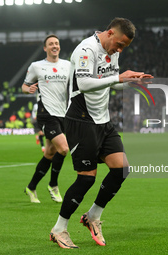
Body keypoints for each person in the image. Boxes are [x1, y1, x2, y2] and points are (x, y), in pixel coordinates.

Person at [49, 18, 153, 248]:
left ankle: (93, 216)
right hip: (80, 119)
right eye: (119, 44)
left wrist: (129, 82)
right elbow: (84, 83)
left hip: (102, 120)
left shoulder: (111, 50)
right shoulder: (87, 49)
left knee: (121, 169)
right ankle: (59, 229)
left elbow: (111, 83)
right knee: (86, 178)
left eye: (123, 47)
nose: (119, 50)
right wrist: (119, 77)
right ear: (109, 33)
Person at [22, 35, 71, 203]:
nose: (54, 46)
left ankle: (31, 187)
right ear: (45, 48)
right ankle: (53, 184)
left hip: (63, 114)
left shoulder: (67, 65)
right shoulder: (37, 66)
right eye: (51, 44)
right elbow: (25, 85)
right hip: (46, 114)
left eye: (56, 43)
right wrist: (27, 90)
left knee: (50, 152)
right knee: (64, 149)